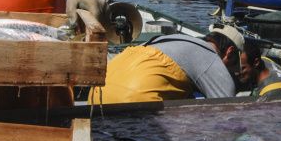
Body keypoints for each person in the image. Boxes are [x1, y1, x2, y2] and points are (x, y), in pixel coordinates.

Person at [91, 24, 244, 103]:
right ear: (229, 52)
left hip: (97, 95)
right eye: (230, 69)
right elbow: (228, 113)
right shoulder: (211, 58)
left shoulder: (174, 40)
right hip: (132, 101)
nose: (228, 73)